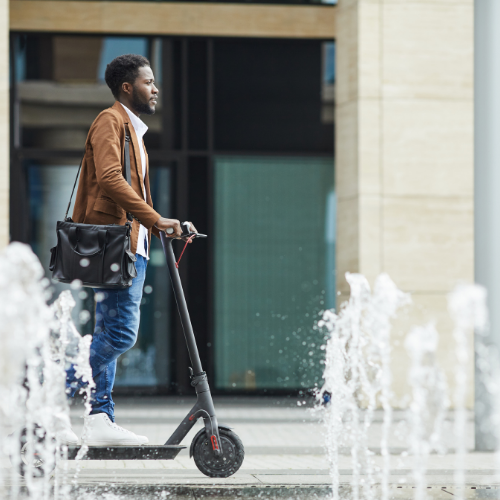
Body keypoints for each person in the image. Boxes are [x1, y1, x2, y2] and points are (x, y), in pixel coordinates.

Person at [62, 54, 196, 446]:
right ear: (127, 87)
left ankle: (100, 416)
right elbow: (108, 178)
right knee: (120, 335)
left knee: (109, 331)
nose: (155, 89)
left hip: (129, 243)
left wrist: (167, 224)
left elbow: (136, 195)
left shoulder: (134, 132)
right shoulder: (111, 121)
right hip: (114, 244)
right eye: (148, 82)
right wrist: (156, 219)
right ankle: (50, 383)